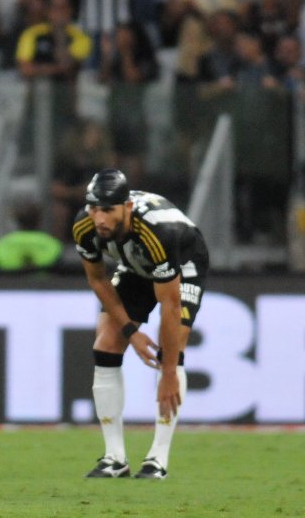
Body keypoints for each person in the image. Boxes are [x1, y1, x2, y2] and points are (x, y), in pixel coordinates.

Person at [72, 169, 209, 479]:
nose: (100, 218)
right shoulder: (84, 225)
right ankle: (114, 458)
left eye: (108, 210)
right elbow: (97, 280)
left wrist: (169, 373)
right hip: (136, 265)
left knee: (173, 347)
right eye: (95, 208)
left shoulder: (158, 232)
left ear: (127, 207)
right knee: (106, 343)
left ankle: (157, 459)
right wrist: (131, 333)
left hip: (182, 263)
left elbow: (170, 307)